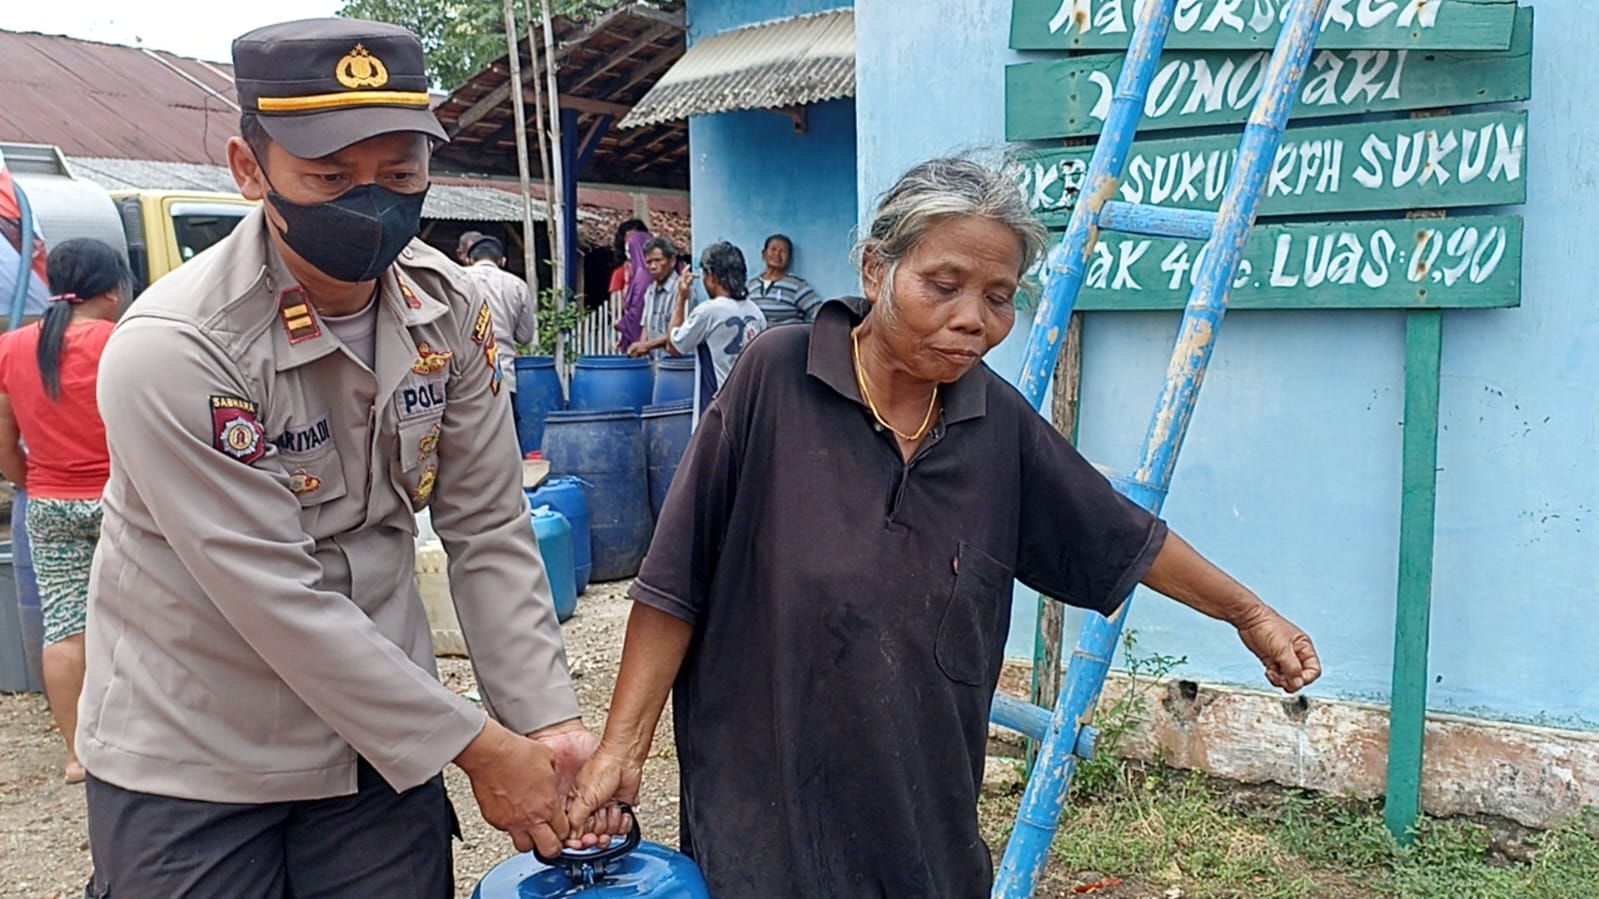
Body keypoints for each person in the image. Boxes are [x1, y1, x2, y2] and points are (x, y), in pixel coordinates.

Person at [567, 158, 1323, 897]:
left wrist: (1247, 613)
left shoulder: (994, 421)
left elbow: (1124, 538)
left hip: (923, 818)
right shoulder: (778, 377)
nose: (973, 318)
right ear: (875, 269)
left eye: (999, 296)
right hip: (767, 811)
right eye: (943, 284)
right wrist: (621, 748)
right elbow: (675, 582)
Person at [77, 18, 595, 897]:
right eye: (328, 176)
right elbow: (273, 596)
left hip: (375, 750)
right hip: (197, 755)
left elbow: (487, 525)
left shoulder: (447, 310)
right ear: (250, 170)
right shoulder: (178, 346)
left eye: (400, 174)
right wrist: (476, 745)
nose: (373, 202)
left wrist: (544, 723)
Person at [0, 237, 123, 785]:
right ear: (114, 288)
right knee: (144, 618)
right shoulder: (119, 342)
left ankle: (78, 755)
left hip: (48, 504)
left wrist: (39, 485)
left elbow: (4, 446)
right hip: (121, 501)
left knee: (65, 627)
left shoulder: (12, 347)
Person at [626, 241, 766, 422]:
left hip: (718, 408)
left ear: (712, 276)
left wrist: (681, 298)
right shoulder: (756, 312)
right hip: (750, 407)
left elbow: (673, 346)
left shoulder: (709, 311)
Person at [463, 235, 537, 425]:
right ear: (502, 261)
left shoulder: (457, 279)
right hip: (502, 374)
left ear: (470, 260)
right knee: (502, 438)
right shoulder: (517, 285)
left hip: (462, 375)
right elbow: (525, 337)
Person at [625, 236, 682, 362]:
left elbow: (680, 333)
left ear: (672, 261)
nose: (653, 266)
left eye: (658, 260)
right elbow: (646, 326)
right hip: (655, 364)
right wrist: (640, 348)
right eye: (649, 262)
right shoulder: (650, 291)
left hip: (676, 367)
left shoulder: (682, 291)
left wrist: (646, 346)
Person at [746, 233, 821, 326]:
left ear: (789, 259)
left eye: (783, 251)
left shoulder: (797, 285)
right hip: (756, 339)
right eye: (773, 249)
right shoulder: (751, 285)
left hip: (786, 339)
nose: (777, 254)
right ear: (764, 254)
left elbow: (820, 313)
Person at [613, 228, 654, 352]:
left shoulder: (642, 276)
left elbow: (638, 310)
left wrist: (622, 324)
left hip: (644, 339)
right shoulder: (644, 274)